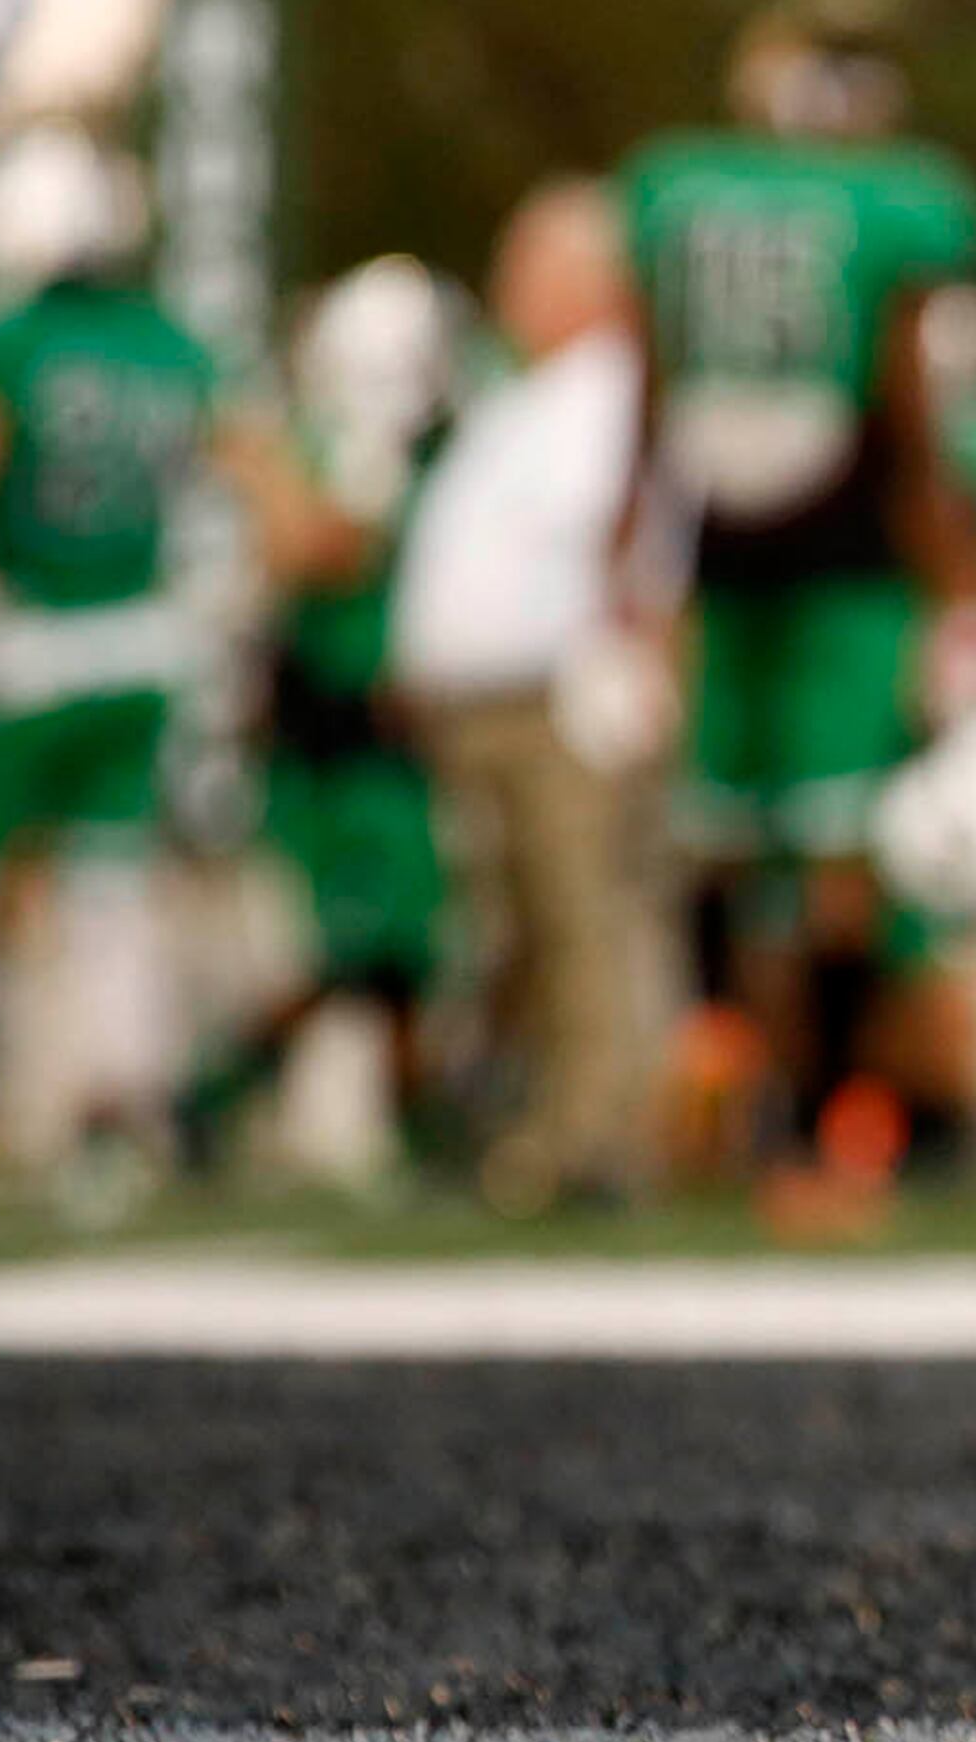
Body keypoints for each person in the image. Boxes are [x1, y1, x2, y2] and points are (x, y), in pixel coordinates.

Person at [610, 0, 976, 1224]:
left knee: (720, 837)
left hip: (715, 529)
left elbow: (646, 383)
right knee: (838, 854)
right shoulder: (889, 201)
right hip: (841, 533)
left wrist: (625, 546)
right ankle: (830, 1126)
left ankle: (723, 1088)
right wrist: (960, 583)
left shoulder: (676, 188)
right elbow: (908, 406)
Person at [0, 120, 344, 1218]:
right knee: (110, 895)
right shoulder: (170, 345)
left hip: (22, 647)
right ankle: (118, 1120)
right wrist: (231, 604)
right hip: (142, 653)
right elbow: (286, 507)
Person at [387, 179, 651, 1214]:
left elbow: (632, 548)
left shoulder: (614, 394)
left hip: (561, 702)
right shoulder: (527, 395)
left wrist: (624, 674)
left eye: (527, 268)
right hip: (487, 705)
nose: (506, 290)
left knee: (581, 920)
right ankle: (528, 1124)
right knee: (515, 935)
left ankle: (593, 1135)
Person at [175, 256, 464, 1183]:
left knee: (401, 949)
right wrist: (262, 462)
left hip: (392, 731)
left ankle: (406, 1119)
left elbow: (325, 542)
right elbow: (306, 553)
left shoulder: (388, 448)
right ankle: (222, 1091)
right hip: (329, 734)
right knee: (361, 944)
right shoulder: (330, 443)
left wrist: (260, 461)